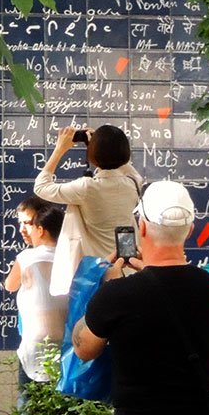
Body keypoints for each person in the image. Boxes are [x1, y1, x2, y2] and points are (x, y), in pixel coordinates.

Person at [72, 179, 209, 415]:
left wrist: (106, 287)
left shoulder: (119, 295)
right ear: (190, 229)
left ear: (141, 226)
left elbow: (84, 346)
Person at [34, 125, 142, 295]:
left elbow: (41, 187)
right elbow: (125, 167)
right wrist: (107, 148)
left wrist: (60, 149)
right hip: (127, 272)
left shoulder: (86, 188)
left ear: (93, 155)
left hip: (95, 276)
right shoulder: (133, 184)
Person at [4, 196, 67, 403]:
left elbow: (9, 285)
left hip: (35, 345)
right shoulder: (72, 257)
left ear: (41, 227)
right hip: (66, 344)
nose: (24, 229)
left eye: (28, 223)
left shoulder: (26, 258)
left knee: (28, 407)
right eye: (20, 223)